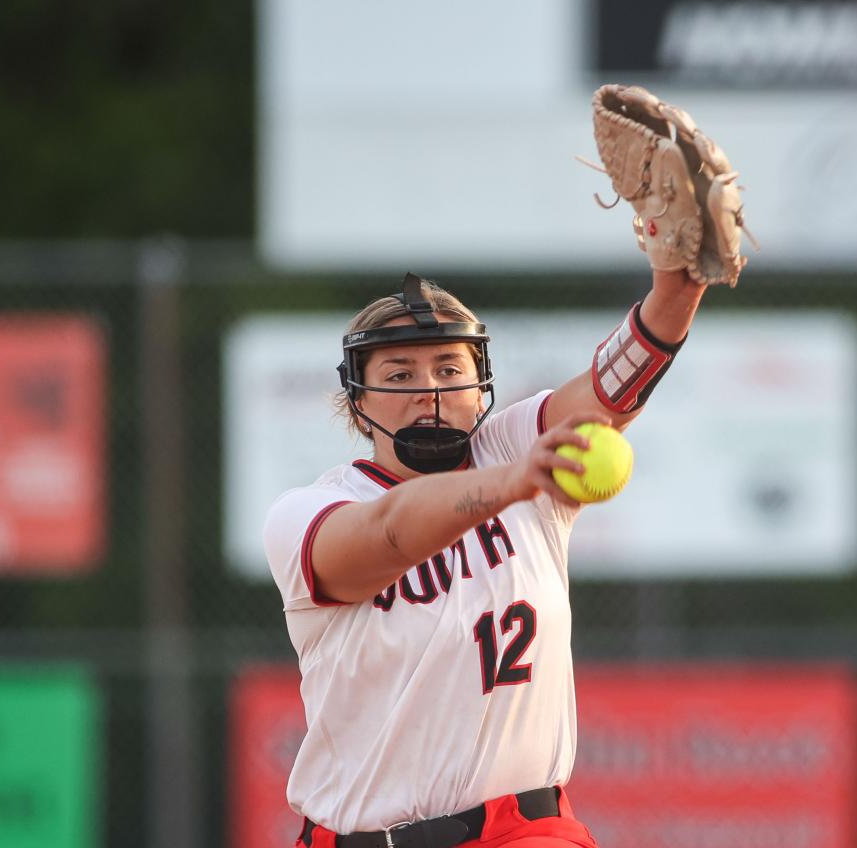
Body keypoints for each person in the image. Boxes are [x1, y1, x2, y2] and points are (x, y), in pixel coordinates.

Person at [264, 266, 708, 848]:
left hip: (521, 831)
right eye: (399, 373)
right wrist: (510, 483)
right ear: (358, 400)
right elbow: (389, 531)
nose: (429, 389)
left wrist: (677, 291)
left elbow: (610, 391)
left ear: (480, 390)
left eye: (450, 369)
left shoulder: (512, 447)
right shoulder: (306, 512)